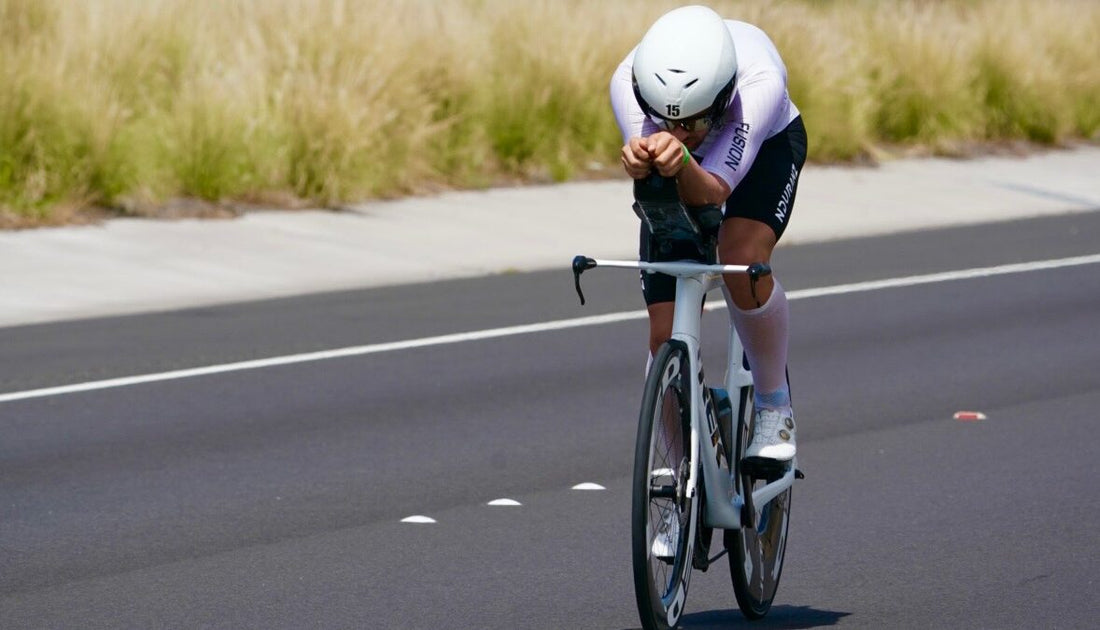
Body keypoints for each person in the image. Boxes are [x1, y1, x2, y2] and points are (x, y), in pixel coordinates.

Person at [610, 5, 807, 462]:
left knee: (739, 255)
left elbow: (713, 191)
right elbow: (663, 164)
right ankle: (681, 477)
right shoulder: (626, 81)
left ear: (720, 99)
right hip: (685, 160)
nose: (680, 130)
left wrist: (678, 153)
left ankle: (774, 406)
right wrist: (645, 157)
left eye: (695, 121)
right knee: (662, 336)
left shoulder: (759, 86)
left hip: (765, 146)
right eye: (664, 119)